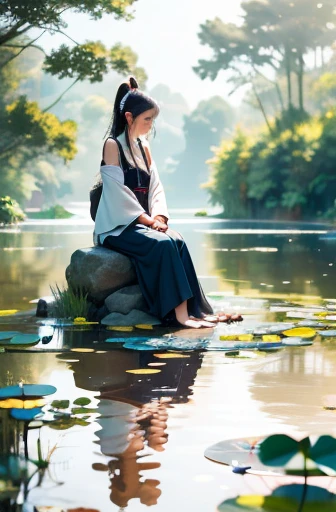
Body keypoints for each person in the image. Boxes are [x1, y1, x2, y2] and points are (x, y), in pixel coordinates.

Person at [93, 76, 242, 328]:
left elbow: (155, 187)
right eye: (146, 119)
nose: (150, 125)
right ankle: (179, 316)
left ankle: (200, 312)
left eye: (153, 119)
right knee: (162, 245)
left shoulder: (144, 147)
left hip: (142, 223)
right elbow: (117, 193)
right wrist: (148, 220)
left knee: (177, 240)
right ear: (129, 117)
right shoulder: (112, 145)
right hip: (117, 227)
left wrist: (159, 217)